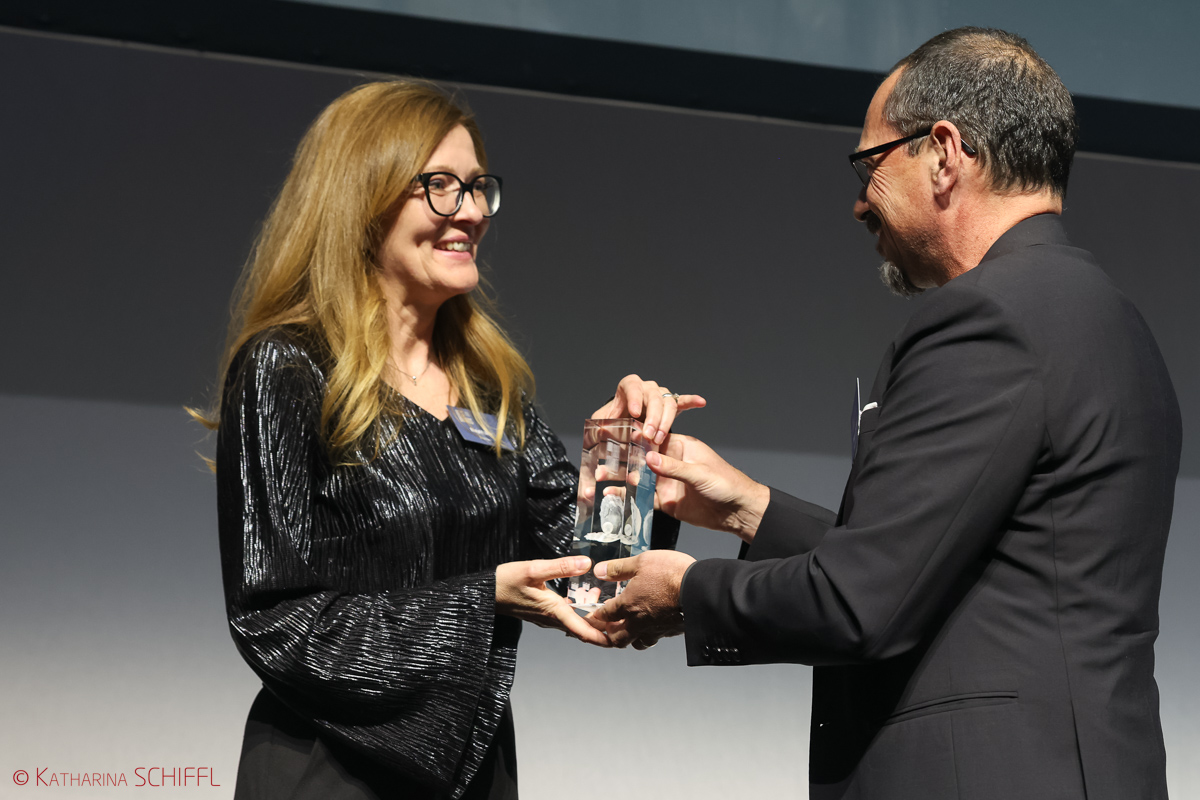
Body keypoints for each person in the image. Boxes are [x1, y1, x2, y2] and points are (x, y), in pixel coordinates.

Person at [587, 27, 1181, 799]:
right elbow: (942, 568)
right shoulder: (1111, 321)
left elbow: (860, 603)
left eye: (870, 165)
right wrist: (746, 508)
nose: (860, 202)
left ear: (944, 154)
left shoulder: (987, 318)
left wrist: (686, 591)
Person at [193, 80, 699, 800]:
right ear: (362, 197)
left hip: (472, 768)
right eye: (439, 187)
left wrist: (626, 458)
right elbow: (275, 621)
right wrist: (479, 600)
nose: (472, 211)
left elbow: (590, 580)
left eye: (478, 188)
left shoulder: (490, 388)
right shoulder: (288, 368)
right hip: (330, 766)